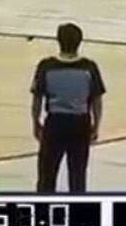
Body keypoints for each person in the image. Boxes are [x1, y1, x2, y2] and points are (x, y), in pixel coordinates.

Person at [30, 22, 105, 193]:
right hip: (80, 123)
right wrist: (96, 125)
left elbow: (37, 98)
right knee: (77, 175)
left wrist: (35, 122)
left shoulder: (47, 66)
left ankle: (43, 212)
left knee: (47, 175)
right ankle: (77, 212)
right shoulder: (89, 67)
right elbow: (96, 100)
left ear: (58, 40)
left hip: (55, 123)